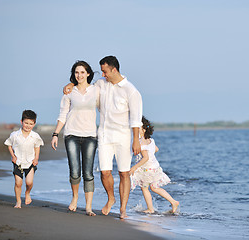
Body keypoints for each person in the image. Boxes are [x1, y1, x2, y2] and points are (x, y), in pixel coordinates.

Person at [63, 56, 142, 219]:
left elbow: (135, 119)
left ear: (114, 70)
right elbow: (84, 87)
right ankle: (111, 198)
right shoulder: (100, 84)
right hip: (104, 135)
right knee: (105, 173)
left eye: (105, 71)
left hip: (123, 137)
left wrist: (136, 140)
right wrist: (71, 84)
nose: (103, 75)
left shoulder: (131, 91)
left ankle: (122, 208)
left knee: (124, 173)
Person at [51, 61, 99, 216]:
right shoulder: (69, 92)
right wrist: (55, 133)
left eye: (82, 72)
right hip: (71, 134)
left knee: (88, 172)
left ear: (89, 74)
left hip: (90, 135)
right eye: (77, 73)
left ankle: (89, 207)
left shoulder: (96, 90)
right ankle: (75, 197)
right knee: (74, 171)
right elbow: (63, 114)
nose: (80, 75)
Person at [130, 116, 179, 214]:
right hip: (154, 167)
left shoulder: (141, 142)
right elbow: (156, 149)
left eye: (137, 129)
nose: (135, 131)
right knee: (154, 187)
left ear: (143, 130)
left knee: (144, 188)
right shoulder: (151, 140)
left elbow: (146, 158)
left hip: (146, 169)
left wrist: (134, 167)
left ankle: (150, 209)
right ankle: (173, 202)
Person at [4, 110, 44, 208]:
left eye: (31, 124)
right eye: (26, 123)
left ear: (34, 124)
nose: (28, 126)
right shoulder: (15, 135)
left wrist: (36, 158)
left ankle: (27, 193)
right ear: (21, 122)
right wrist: (13, 156)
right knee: (18, 183)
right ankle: (18, 201)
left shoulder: (35, 136)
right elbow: (9, 144)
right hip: (18, 162)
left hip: (30, 162)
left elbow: (37, 147)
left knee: (29, 182)